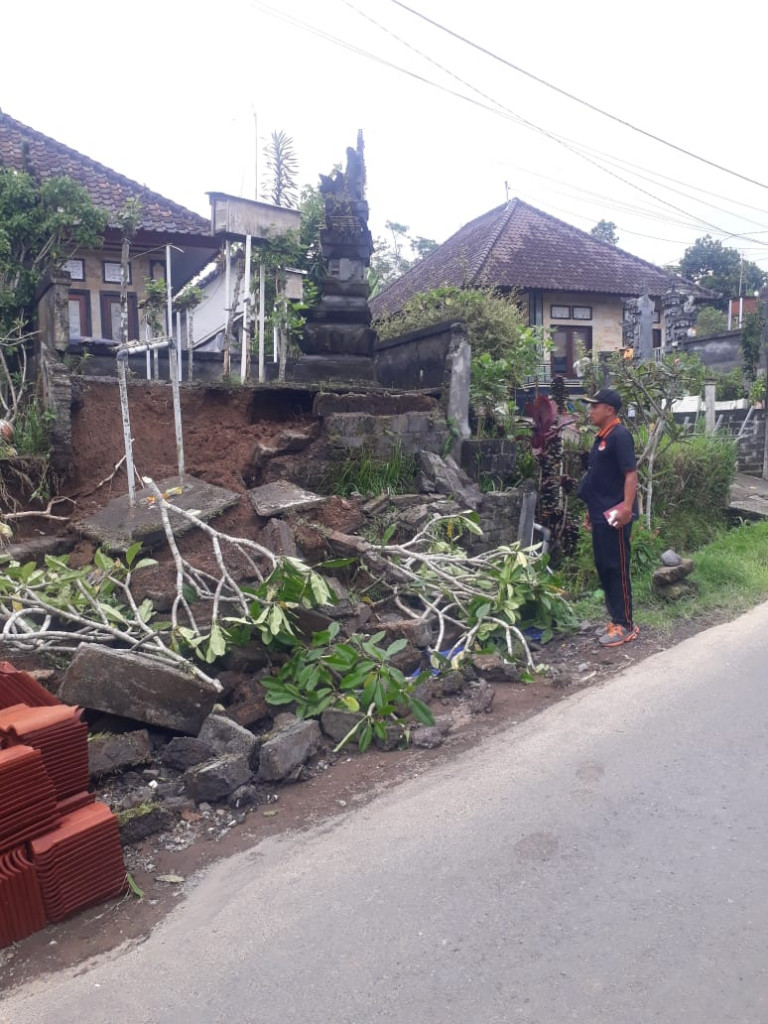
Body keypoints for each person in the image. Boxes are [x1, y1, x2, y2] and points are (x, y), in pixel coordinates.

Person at [577, 388, 639, 647]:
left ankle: (626, 624)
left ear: (609, 410)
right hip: (600, 514)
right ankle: (615, 620)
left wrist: (626, 508)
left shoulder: (620, 436)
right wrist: (590, 511)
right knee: (604, 567)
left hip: (615, 515)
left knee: (617, 569)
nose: (590, 410)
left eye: (595, 406)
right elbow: (597, 479)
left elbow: (630, 474)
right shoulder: (601, 437)